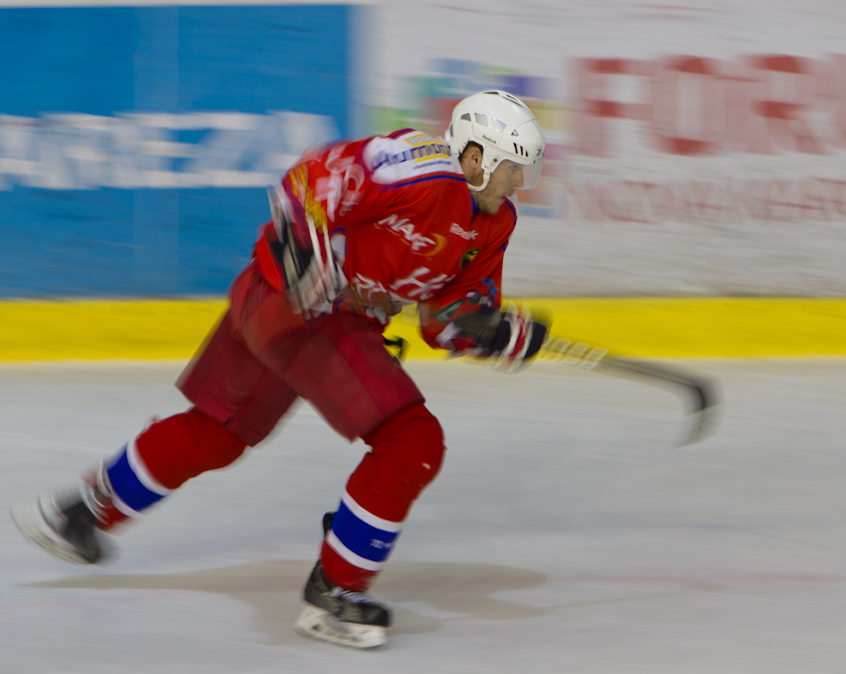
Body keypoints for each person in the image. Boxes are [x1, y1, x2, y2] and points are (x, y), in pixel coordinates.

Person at [11, 90, 548, 649]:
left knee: (218, 434)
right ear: (475, 157)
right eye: (513, 168)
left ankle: (80, 512)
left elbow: (446, 321)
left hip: (280, 304)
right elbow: (315, 177)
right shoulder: (421, 168)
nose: (519, 183)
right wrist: (305, 246)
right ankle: (335, 592)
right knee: (412, 441)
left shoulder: (496, 224)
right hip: (302, 308)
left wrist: (497, 333)